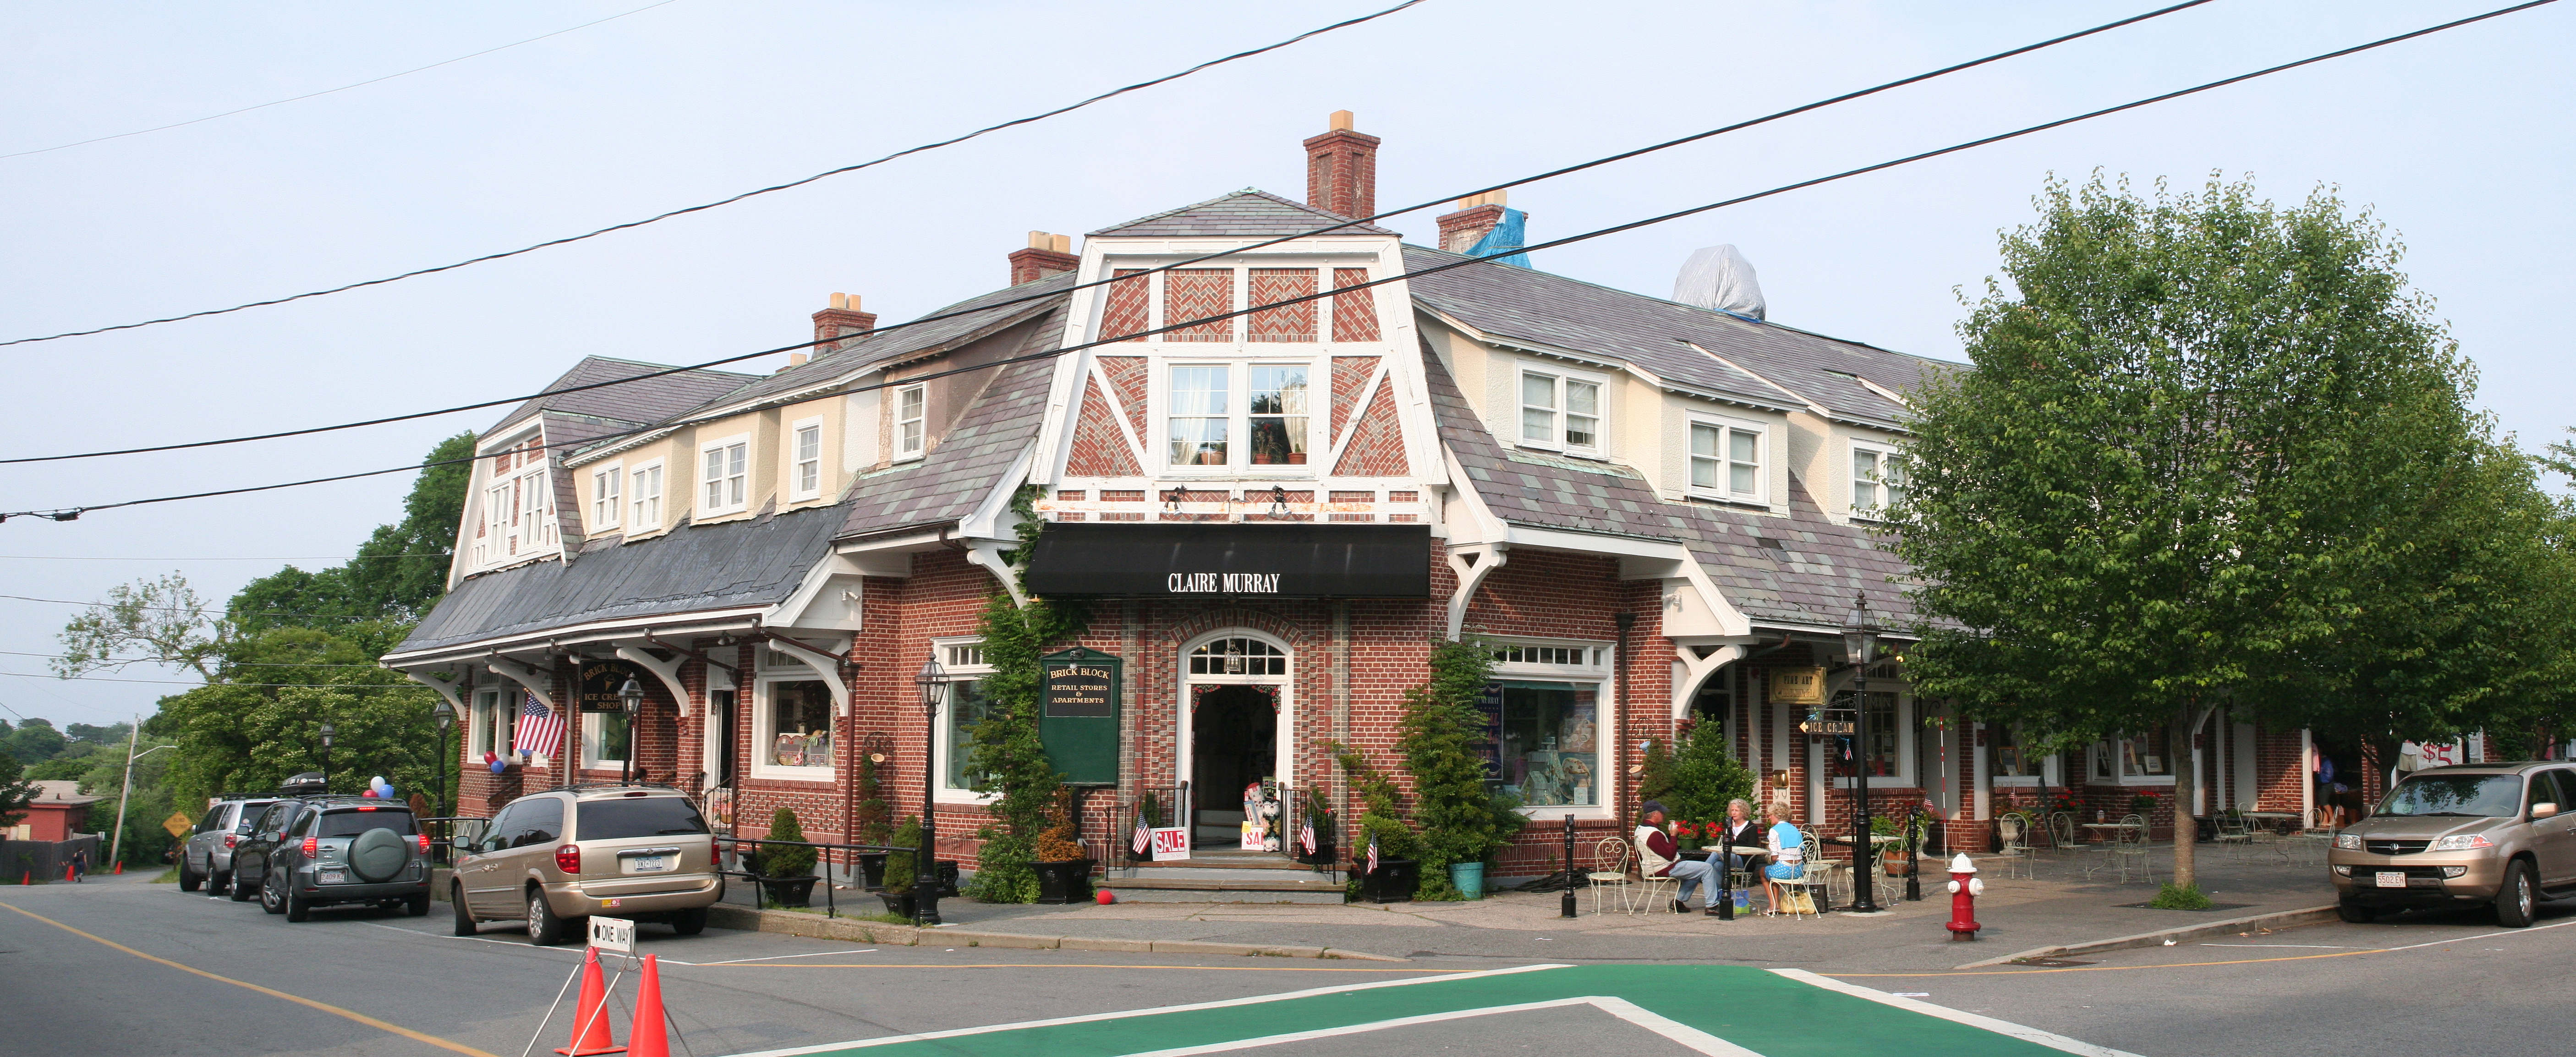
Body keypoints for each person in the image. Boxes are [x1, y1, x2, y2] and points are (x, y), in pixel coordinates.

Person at [1633, 800, 1717, 913]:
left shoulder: (1640, 829)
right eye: (1662, 813)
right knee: (1707, 869)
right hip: (1663, 868)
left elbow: (1638, 854)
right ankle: (1712, 906)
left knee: (1699, 870)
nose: (1664, 815)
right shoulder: (1654, 834)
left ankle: (1678, 902)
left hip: (1652, 866)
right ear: (1654, 814)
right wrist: (1673, 836)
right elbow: (1670, 855)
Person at [1711, 798, 1767, 917]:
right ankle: (1715, 901)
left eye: (1737, 810)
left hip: (1745, 861)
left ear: (1744, 813)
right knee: (1716, 865)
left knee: (1717, 854)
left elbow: (1752, 848)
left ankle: (1703, 869)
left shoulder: (1751, 828)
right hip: (1729, 860)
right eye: (1732, 810)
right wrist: (1729, 830)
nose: (1733, 813)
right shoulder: (1729, 826)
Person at [1762, 801, 1805, 915]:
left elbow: (1775, 857)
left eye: (1771, 815)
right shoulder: (1795, 830)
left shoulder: (1774, 831)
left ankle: (1773, 904)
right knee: (1774, 871)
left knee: (1763, 872)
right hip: (1799, 871)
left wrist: (1769, 858)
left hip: (1785, 871)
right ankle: (1776, 905)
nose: (1769, 817)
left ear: (1777, 815)